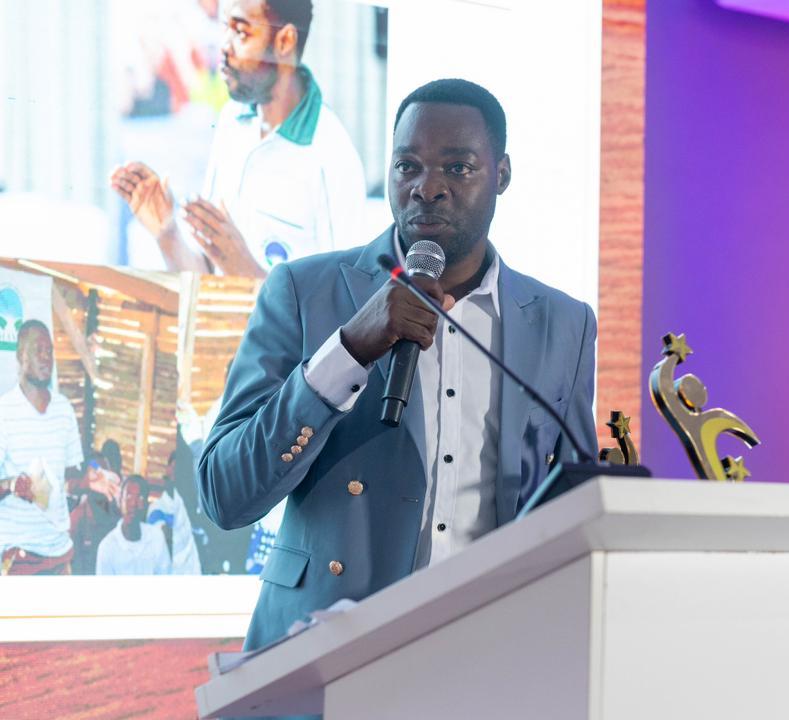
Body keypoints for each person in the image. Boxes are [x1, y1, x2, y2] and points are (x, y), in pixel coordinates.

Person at [199, 79, 598, 659]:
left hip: (489, 658)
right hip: (326, 656)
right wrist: (347, 352)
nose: (427, 188)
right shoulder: (304, 291)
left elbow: (570, 505)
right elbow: (224, 493)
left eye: (458, 168)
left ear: (502, 174)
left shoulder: (563, 324)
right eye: (407, 166)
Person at [110, 0, 366, 278]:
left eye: (241, 33)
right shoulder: (233, 121)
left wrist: (245, 269)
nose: (224, 46)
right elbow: (208, 281)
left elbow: (344, 301)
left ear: (285, 41)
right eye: (225, 29)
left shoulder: (331, 156)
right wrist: (166, 232)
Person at [0, 320, 84, 575]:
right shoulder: (4, 412)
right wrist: (11, 485)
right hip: (18, 556)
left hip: (60, 552)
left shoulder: (64, 410)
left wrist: (89, 481)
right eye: (39, 350)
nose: (46, 357)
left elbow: (71, 480)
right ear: (21, 356)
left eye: (50, 351)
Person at [95, 475, 171, 575]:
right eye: (128, 496)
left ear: (146, 505)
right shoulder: (107, 548)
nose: (133, 504)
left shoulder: (156, 537)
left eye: (140, 498)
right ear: (119, 502)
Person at [147, 451, 202, 574]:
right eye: (173, 467)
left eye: (182, 469)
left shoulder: (188, 508)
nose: (177, 473)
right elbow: (164, 540)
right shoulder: (156, 509)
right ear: (167, 470)